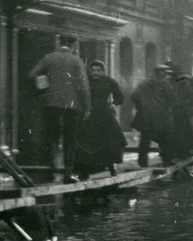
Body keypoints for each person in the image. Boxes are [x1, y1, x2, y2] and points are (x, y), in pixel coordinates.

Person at [29, 34, 91, 183]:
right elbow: (83, 86)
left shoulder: (48, 58)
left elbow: (32, 74)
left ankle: (51, 172)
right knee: (70, 140)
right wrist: (87, 107)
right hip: (72, 106)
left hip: (51, 104)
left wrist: (45, 87)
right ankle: (67, 174)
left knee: (52, 137)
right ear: (74, 45)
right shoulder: (77, 60)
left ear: (59, 43)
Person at [72, 60, 127, 180]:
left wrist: (114, 103)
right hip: (88, 114)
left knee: (107, 141)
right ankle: (84, 172)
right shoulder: (85, 81)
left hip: (104, 114)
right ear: (89, 71)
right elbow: (78, 95)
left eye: (98, 70)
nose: (95, 73)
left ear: (103, 71)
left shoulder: (109, 81)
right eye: (93, 70)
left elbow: (119, 95)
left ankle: (112, 170)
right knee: (86, 142)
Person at [131, 65, 177, 167]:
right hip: (162, 116)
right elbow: (172, 98)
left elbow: (134, 96)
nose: (166, 75)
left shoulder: (143, 83)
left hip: (146, 116)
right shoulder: (165, 83)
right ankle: (167, 160)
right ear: (162, 73)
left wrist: (141, 108)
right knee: (166, 138)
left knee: (145, 140)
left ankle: (142, 162)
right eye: (165, 72)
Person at [169, 64, 193, 160]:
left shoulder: (183, 81)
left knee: (182, 132)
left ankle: (183, 152)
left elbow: (190, 95)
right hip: (176, 110)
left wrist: (182, 102)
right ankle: (180, 152)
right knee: (179, 132)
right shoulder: (174, 81)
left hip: (182, 110)